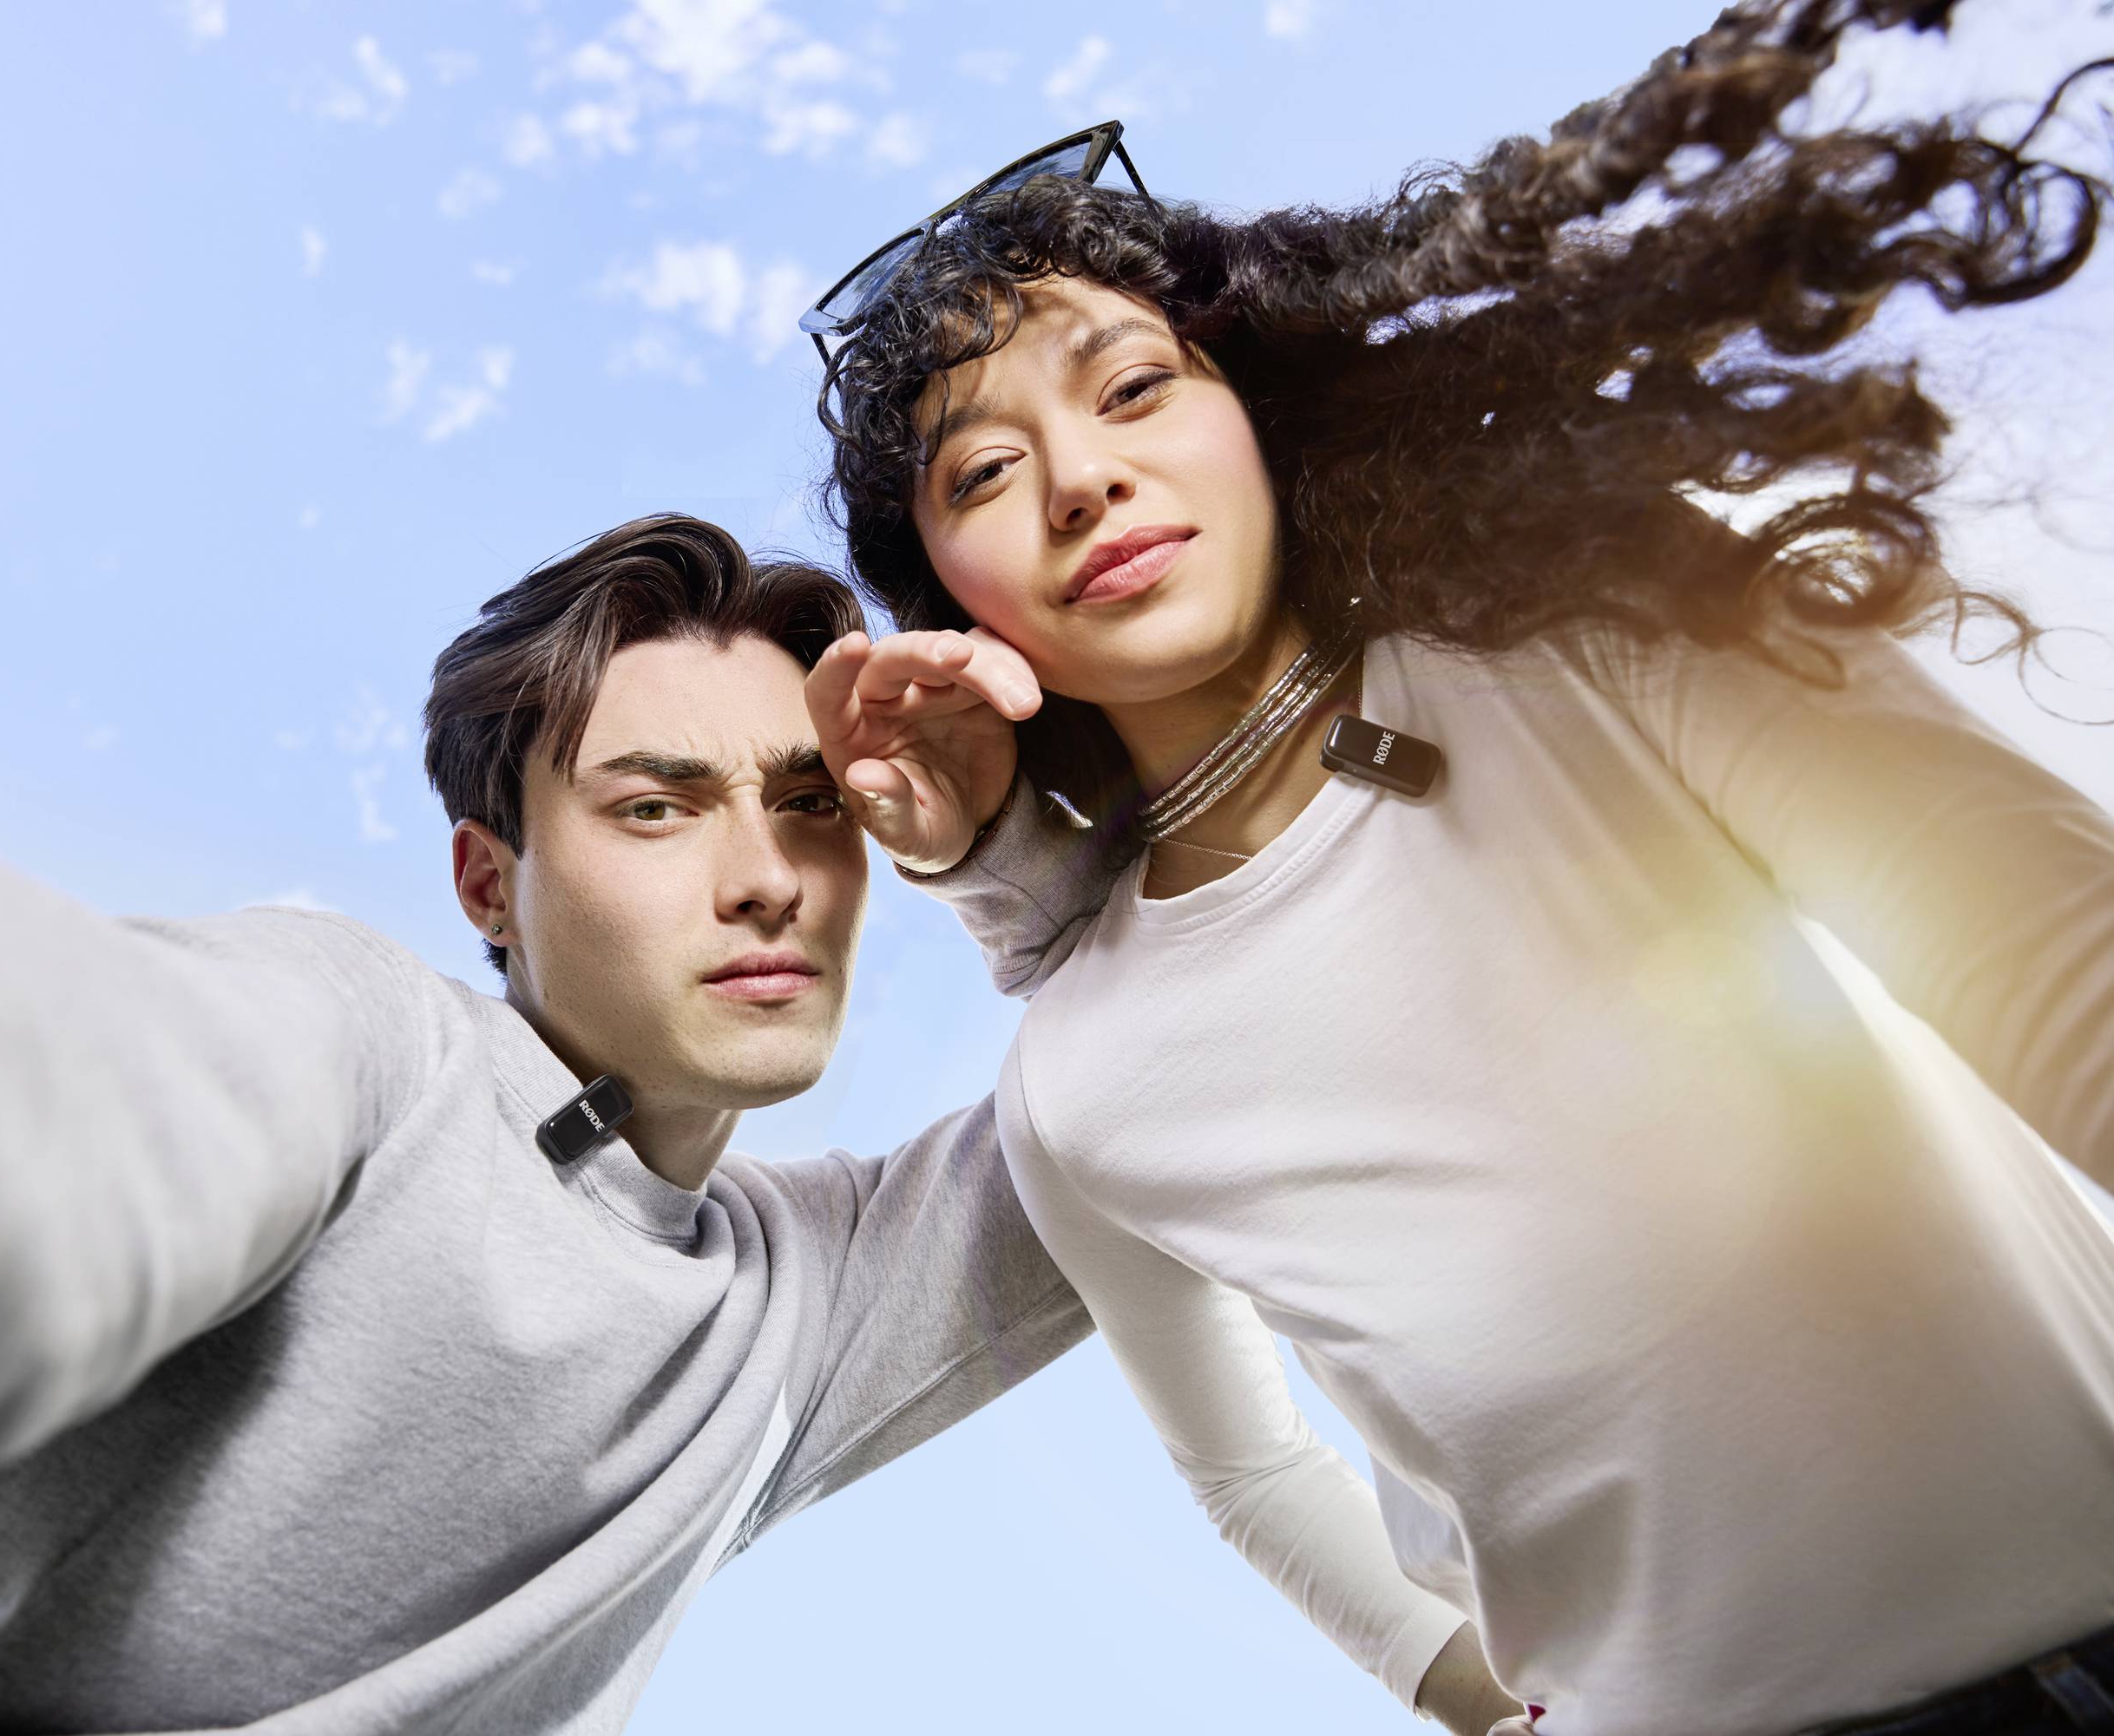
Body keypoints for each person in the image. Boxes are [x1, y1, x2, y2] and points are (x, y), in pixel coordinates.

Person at [0, 514, 1518, 1733]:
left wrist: (1003, 841)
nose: (766, 875)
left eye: (807, 805)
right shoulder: (361, 1045)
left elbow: (1178, 1037)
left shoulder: (809, 1299)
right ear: (492, 880)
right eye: (655, 805)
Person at [798, 4, 2114, 1733]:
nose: (1084, 477)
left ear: (1258, 413)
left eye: (1133, 387)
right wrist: (1481, 1700)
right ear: (950, 600)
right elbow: (1249, 1469)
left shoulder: (1599, 633)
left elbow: (2061, 965)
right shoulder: (1078, 1080)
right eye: (984, 469)